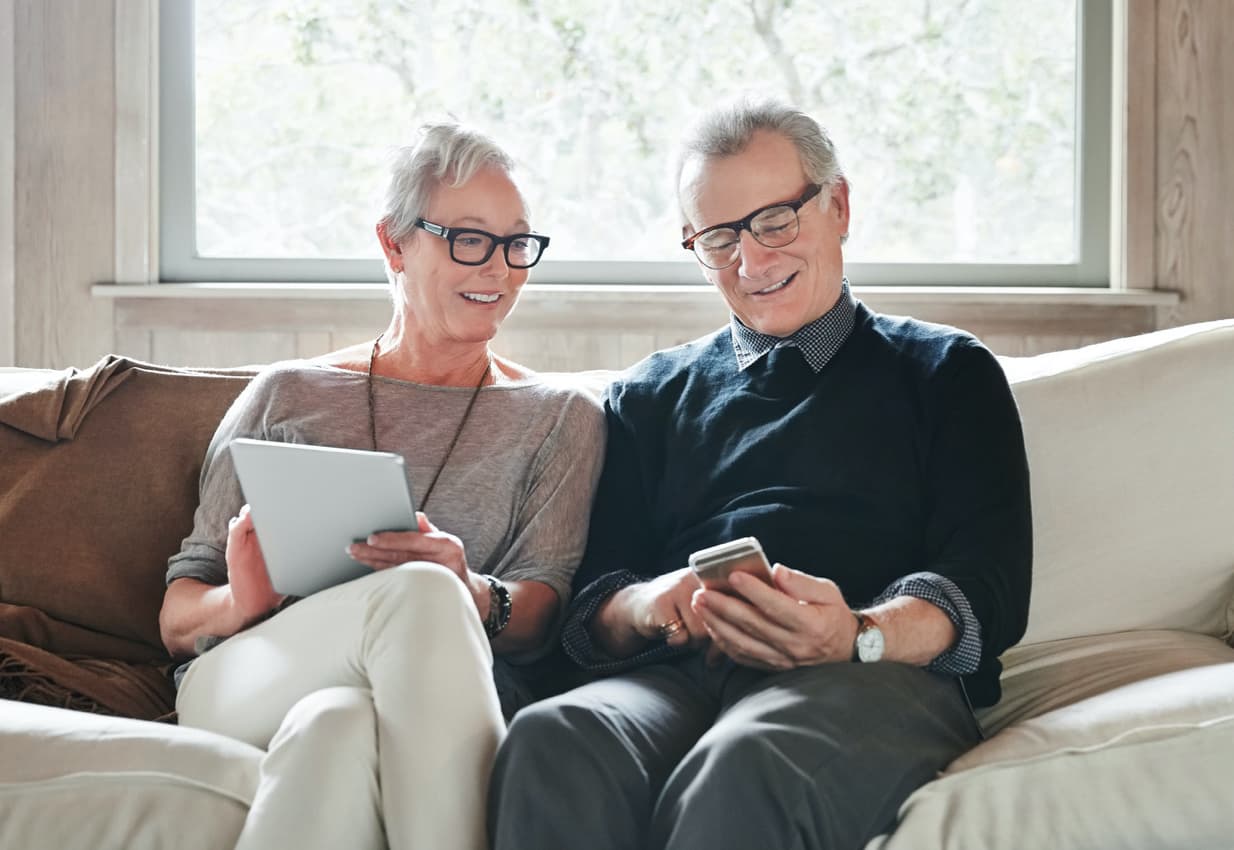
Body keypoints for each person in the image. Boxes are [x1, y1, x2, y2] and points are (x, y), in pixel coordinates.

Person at [488, 99, 1032, 850]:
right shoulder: (648, 396)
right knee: (556, 737)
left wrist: (855, 633)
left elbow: (986, 587)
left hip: (869, 680)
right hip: (679, 675)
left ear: (837, 206)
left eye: (775, 222)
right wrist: (649, 605)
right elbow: (592, 609)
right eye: (719, 238)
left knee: (747, 760)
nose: (752, 261)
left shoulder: (946, 373)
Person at [159, 123, 605, 850]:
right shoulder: (289, 395)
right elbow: (177, 616)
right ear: (395, 243)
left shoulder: (560, 418)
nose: (498, 268)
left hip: (428, 695)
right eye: (469, 238)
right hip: (251, 675)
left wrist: (472, 584)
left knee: (335, 730)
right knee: (418, 594)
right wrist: (242, 601)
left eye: (517, 243)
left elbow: (542, 614)